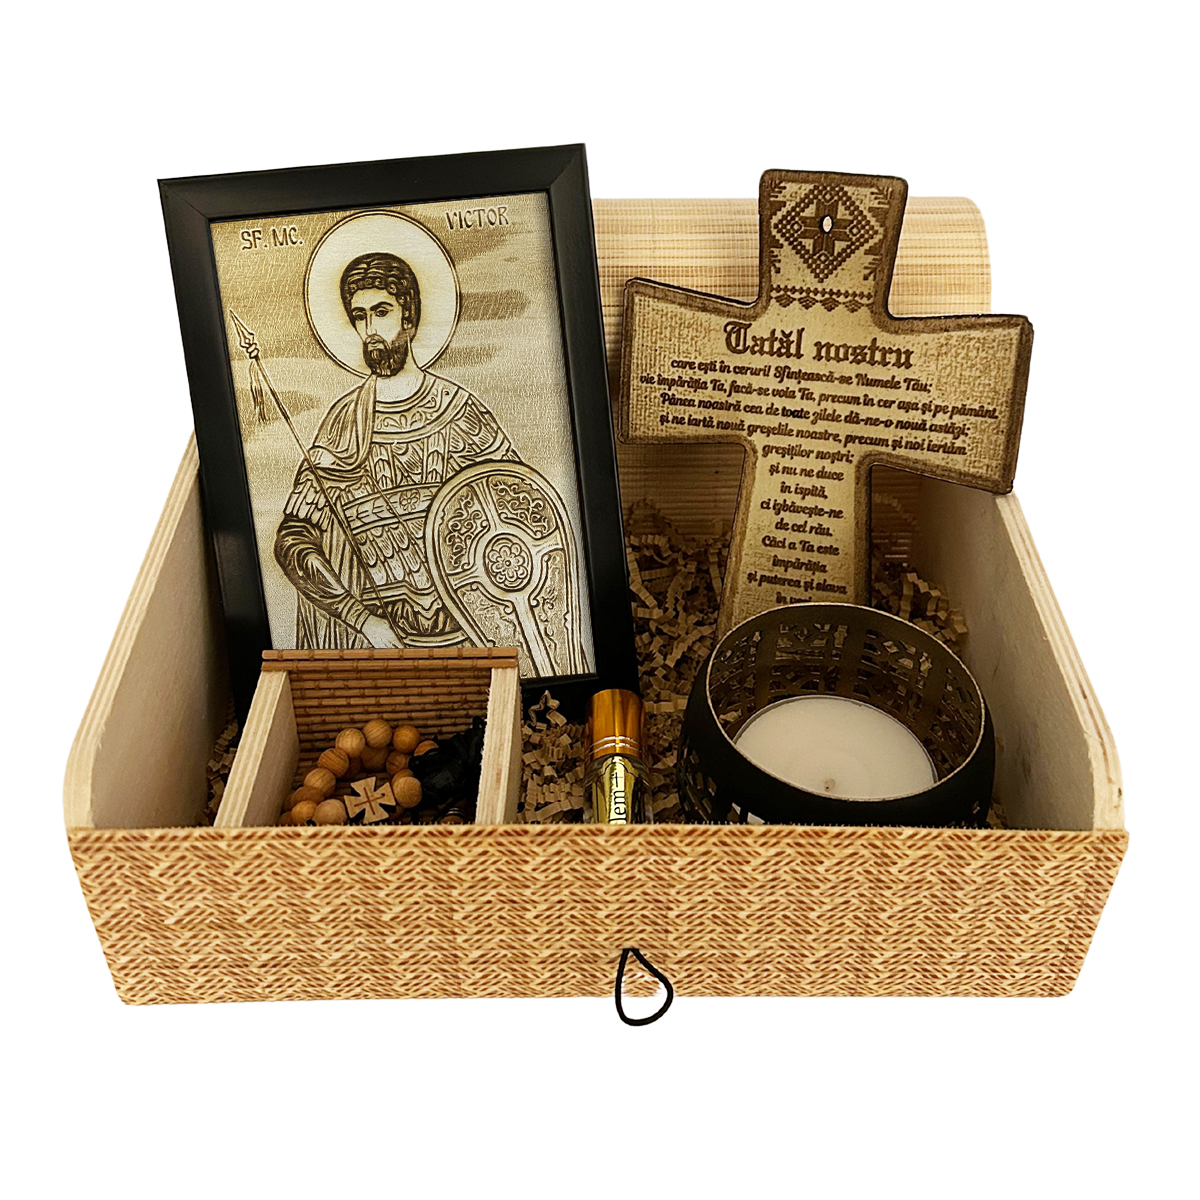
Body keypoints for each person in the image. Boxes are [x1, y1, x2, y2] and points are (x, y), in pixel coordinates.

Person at [275, 251, 521, 648]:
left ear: (409, 317)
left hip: (475, 636)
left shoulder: (460, 412)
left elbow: (524, 515)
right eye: (360, 316)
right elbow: (293, 541)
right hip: (385, 644)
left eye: (381, 312)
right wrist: (362, 621)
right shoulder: (343, 425)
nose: (370, 329)